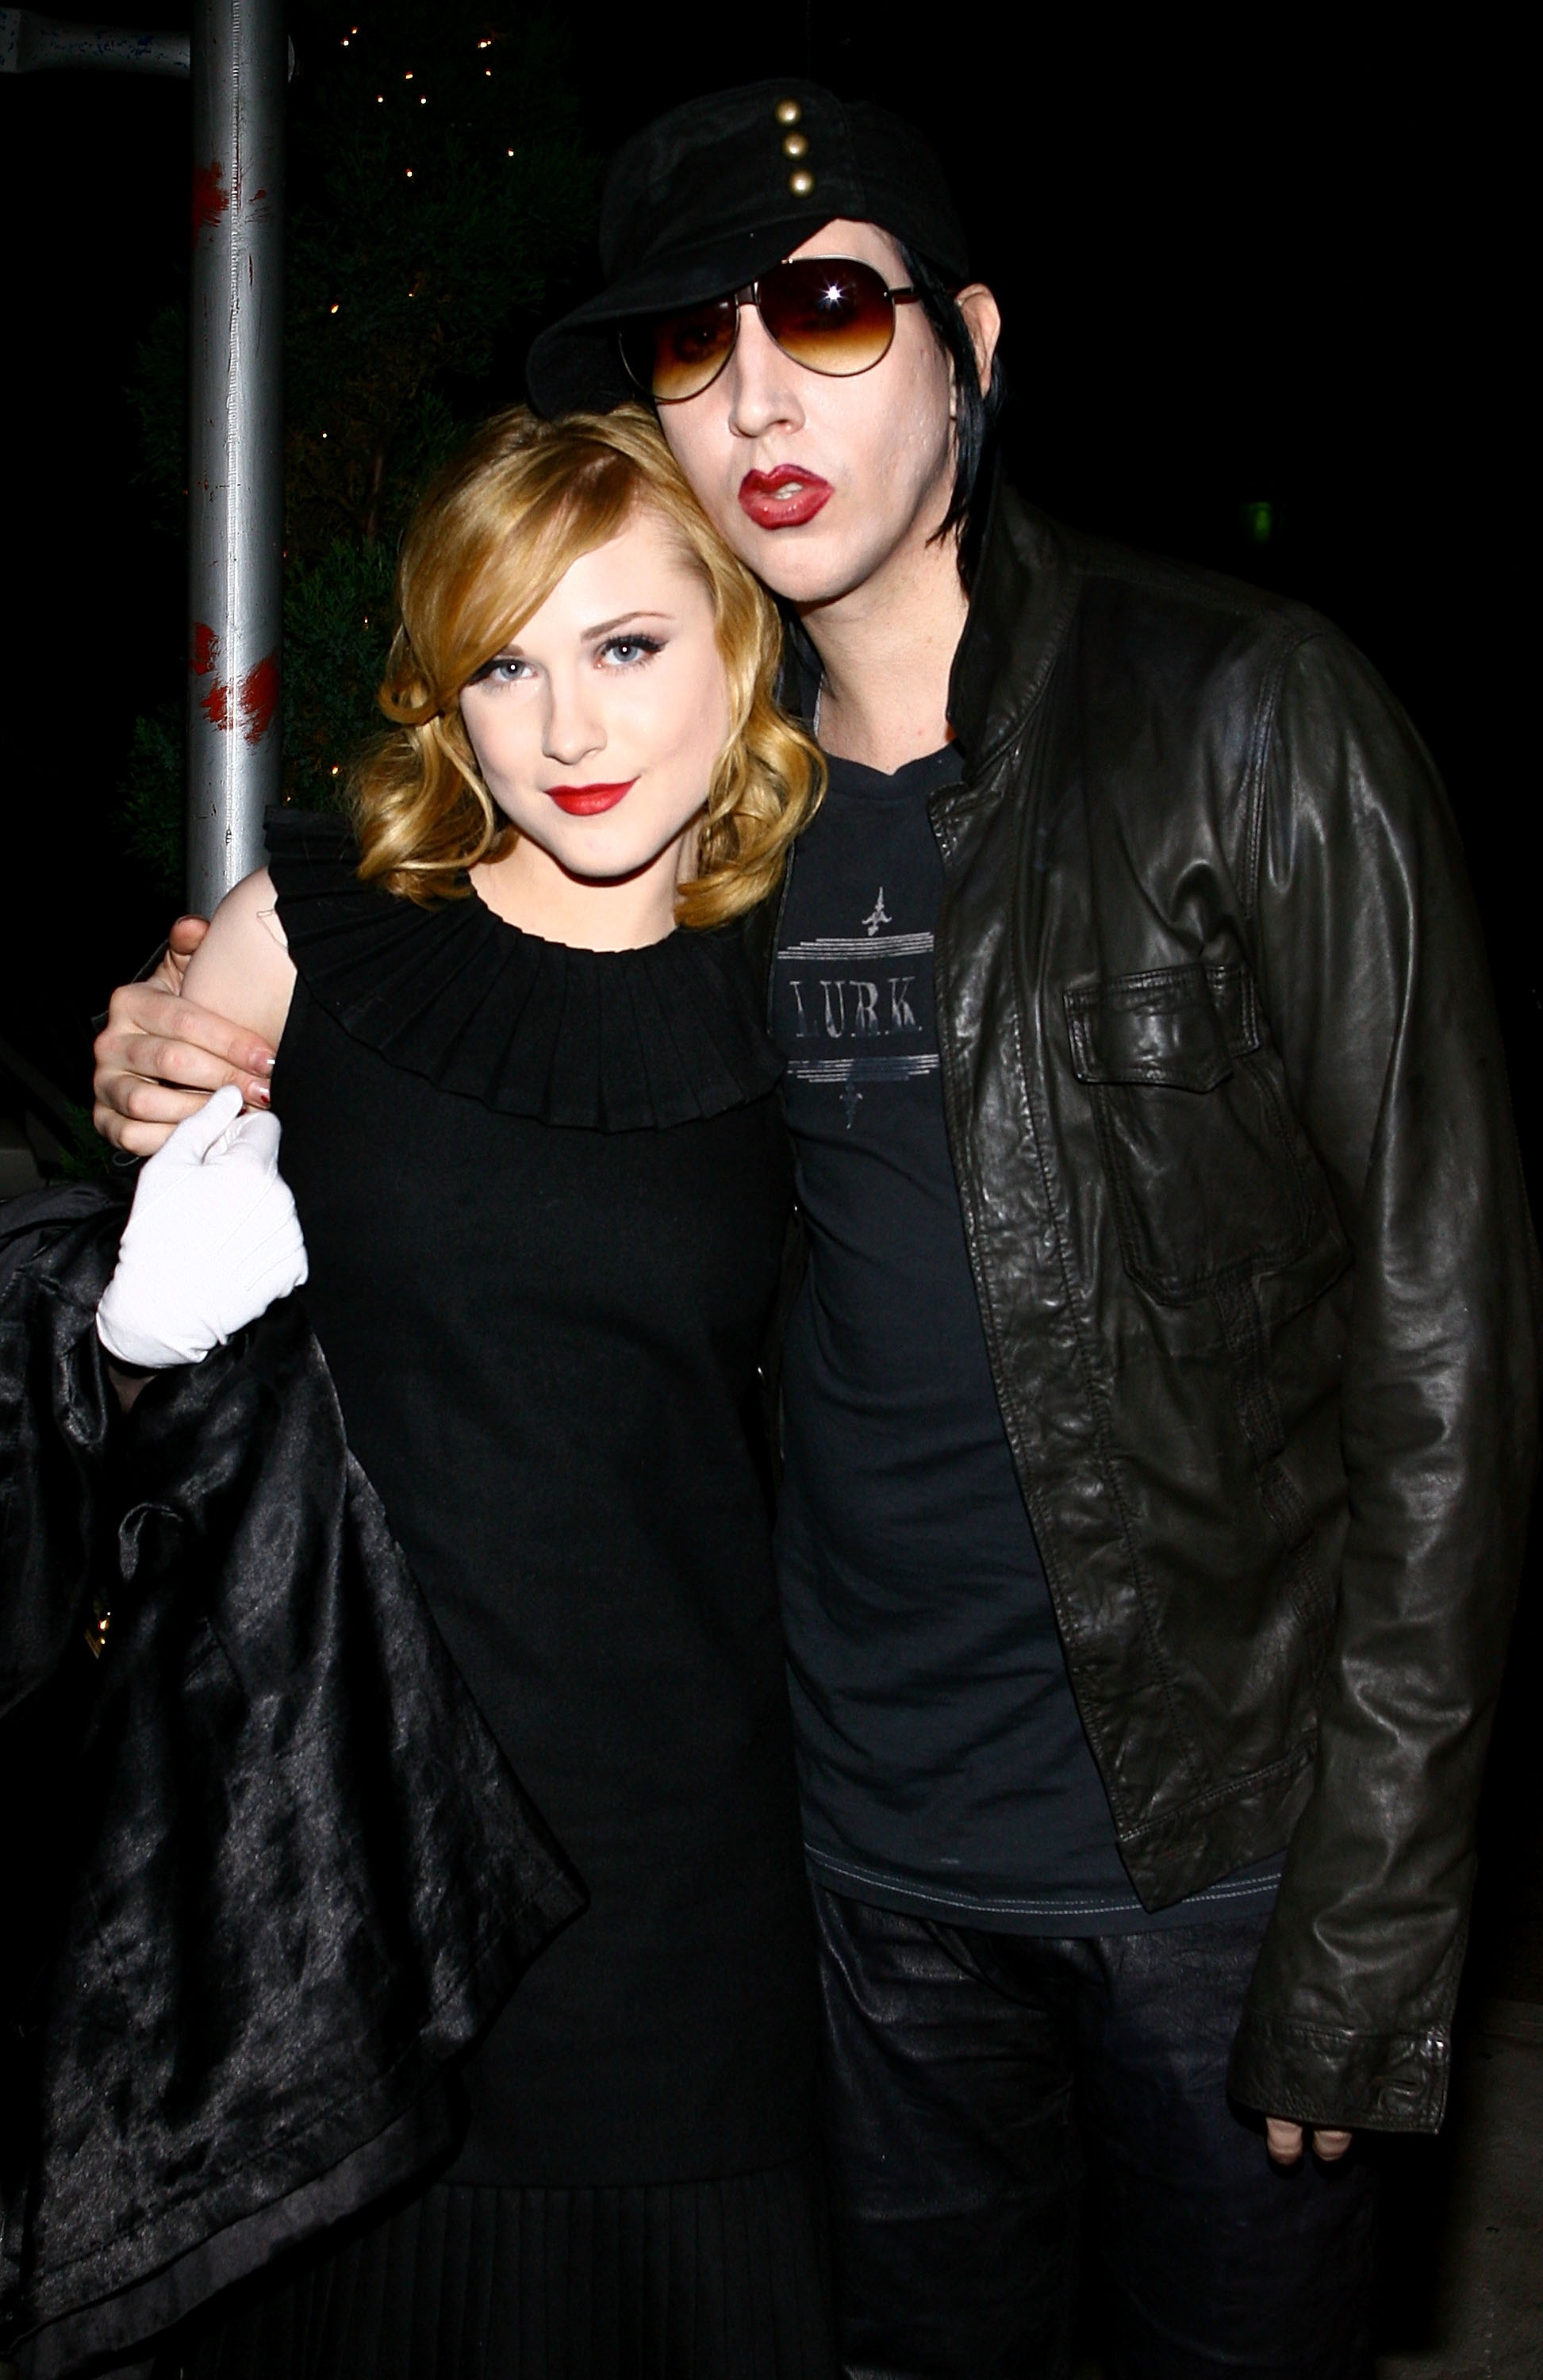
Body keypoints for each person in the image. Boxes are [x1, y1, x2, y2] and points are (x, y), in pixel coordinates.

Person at [93, 82, 1540, 2380]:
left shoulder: (1244, 715)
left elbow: (1446, 1338)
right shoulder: (698, 824)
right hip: (850, 1883)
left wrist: (1374, 1919)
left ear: (970, 342)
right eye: (696, 343)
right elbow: (440, 998)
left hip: (1211, 1866)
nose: (762, 391)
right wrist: (185, 1030)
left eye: (831, 309)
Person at [92, 402, 834, 2379]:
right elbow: (147, 1317)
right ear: (445, 699)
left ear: (736, 643)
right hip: (335, 1871)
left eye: (626, 645)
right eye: (504, 665)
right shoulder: (319, 932)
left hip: (683, 1892)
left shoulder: (815, 978)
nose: (567, 725)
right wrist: (139, 1092)